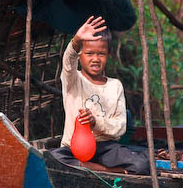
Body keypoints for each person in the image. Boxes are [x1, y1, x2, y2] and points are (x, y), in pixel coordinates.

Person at [51, 16, 150, 175]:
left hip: (106, 149)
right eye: (89, 53)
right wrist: (76, 40)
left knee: (142, 164)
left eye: (101, 54)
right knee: (55, 158)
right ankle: (109, 171)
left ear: (108, 55)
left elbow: (120, 127)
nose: (95, 59)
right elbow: (68, 62)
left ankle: (97, 168)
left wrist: (95, 121)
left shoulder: (115, 85)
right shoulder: (73, 80)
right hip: (74, 150)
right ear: (80, 56)